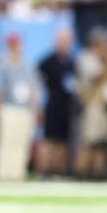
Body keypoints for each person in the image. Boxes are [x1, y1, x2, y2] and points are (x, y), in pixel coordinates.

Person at [0, 33, 39, 181]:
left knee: (21, 142)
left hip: (24, 108)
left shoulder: (27, 64)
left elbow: (33, 88)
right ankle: (4, 174)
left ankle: (18, 174)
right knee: (6, 141)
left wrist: (34, 107)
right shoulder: (3, 63)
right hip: (8, 106)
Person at [75, 28, 107, 179]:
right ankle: (82, 174)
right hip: (92, 104)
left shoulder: (103, 59)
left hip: (106, 105)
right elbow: (96, 78)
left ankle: (98, 174)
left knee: (102, 143)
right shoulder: (86, 58)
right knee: (89, 142)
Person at [37, 28, 75, 178]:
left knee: (63, 140)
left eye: (67, 41)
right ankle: (44, 170)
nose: (64, 44)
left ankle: (59, 170)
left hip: (67, 107)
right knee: (49, 139)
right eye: (62, 40)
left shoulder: (71, 62)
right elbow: (37, 84)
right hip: (52, 105)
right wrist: (39, 106)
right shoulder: (48, 61)